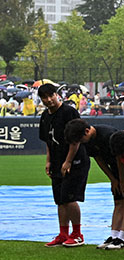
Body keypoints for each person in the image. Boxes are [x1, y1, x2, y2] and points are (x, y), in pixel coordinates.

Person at [65, 119, 124, 249]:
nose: (80, 143)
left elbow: (121, 159)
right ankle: (114, 236)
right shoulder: (88, 141)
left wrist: (122, 181)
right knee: (118, 202)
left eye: (80, 140)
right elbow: (99, 159)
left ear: (87, 131)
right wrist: (113, 179)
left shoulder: (107, 135)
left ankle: (121, 239)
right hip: (115, 170)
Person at [38, 83, 89, 247]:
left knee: (70, 197)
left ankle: (77, 233)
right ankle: (63, 233)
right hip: (57, 161)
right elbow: (48, 141)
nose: (48, 100)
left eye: (50, 95)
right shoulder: (45, 116)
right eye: (44, 97)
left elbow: (76, 138)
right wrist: (48, 160)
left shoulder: (69, 112)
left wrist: (68, 161)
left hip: (75, 161)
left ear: (56, 95)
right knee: (60, 199)